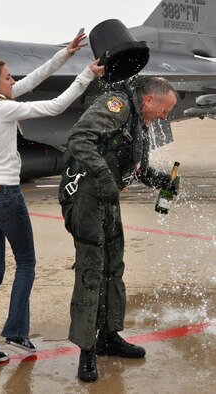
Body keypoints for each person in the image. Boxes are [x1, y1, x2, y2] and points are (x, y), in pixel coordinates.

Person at [0, 32, 105, 363]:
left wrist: (65, 55)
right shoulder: (2, 110)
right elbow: (55, 106)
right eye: (8, 77)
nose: (15, 81)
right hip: (4, 195)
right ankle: (15, 333)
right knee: (26, 262)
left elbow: (33, 80)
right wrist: (87, 74)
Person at [59, 77, 179, 382]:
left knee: (114, 268)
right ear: (150, 100)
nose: (166, 117)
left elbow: (137, 169)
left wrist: (162, 181)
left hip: (107, 198)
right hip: (87, 197)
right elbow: (79, 138)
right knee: (91, 271)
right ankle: (87, 352)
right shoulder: (118, 105)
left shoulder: (140, 121)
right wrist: (102, 176)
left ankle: (108, 337)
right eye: (165, 110)